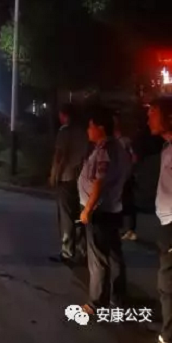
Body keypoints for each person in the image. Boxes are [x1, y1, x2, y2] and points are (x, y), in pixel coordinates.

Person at [78, 107, 129, 314]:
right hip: (113, 208)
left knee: (98, 257)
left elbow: (100, 181)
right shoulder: (117, 147)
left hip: (100, 210)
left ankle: (97, 301)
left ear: (100, 127)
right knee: (114, 254)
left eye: (90, 126)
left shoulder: (105, 150)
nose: (88, 130)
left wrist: (88, 209)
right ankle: (118, 296)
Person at [50, 103, 88, 264]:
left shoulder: (64, 132)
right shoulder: (84, 132)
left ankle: (67, 251)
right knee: (79, 214)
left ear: (64, 115)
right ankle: (82, 250)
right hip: (81, 178)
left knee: (66, 216)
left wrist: (54, 174)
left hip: (66, 177)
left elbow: (60, 154)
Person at [147, 96, 172, 343]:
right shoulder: (167, 148)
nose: (149, 119)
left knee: (168, 283)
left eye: (153, 113)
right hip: (166, 223)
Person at [113, 111, 139, 241]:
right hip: (116, 177)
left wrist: (130, 169)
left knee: (128, 202)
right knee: (119, 202)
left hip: (125, 176)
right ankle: (122, 228)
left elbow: (134, 157)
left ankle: (130, 229)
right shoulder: (112, 141)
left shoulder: (124, 141)